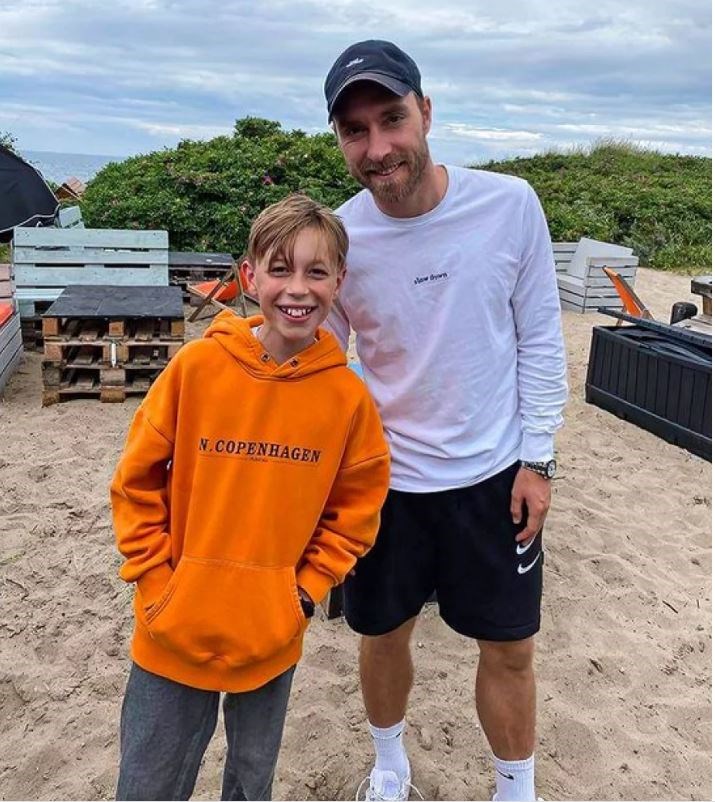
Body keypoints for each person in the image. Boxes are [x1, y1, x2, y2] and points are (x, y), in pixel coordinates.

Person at [323, 40, 568, 802]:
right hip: (383, 485)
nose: (377, 147)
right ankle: (389, 764)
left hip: (493, 476)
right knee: (380, 634)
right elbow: (318, 366)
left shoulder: (508, 205)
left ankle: (514, 788)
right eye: (354, 131)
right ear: (339, 140)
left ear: (425, 112)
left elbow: (539, 336)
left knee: (509, 647)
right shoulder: (341, 237)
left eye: (391, 119)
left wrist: (537, 459)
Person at [110, 193, 390, 801]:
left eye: (317, 272)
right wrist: (156, 581)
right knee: (148, 785)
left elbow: (357, 509)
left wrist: (303, 592)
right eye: (280, 269)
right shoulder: (196, 368)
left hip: (271, 635)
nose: (298, 289)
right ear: (249, 276)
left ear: (339, 282)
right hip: (170, 631)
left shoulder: (347, 400)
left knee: (249, 784)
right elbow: (135, 481)